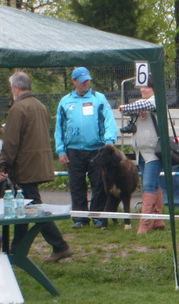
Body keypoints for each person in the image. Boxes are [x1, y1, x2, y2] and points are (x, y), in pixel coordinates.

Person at [0, 72, 72, 261]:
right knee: (23, 208)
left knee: (32, 207)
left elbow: (11, 142)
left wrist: (3, 164)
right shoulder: (40, 106)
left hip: (25, 167)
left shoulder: (18, 108)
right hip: (40, 163)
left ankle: (60, 245)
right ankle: (16, 250)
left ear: (16, 87)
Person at [54, 66, 118, 229]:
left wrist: (109, 141)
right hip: (73, 150)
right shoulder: (65, 101)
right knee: (76, 184)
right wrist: (61, 150)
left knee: (99, 184)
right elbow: (59, 127)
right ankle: (80, 218)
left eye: (87, 80)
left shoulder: (99, 99)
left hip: (97, 149)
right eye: (82, 81)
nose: (85, 84)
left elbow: (109, 121)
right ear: (74, 81)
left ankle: (97, 216)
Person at [118, 75, 165, 233]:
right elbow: (133, 109)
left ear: (154, 88)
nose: (143, 90)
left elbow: (132, 108)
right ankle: (158, 220)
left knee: (149, 185)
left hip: (153, 152)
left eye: (147, 87)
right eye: (141, 87)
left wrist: (125, 107)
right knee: (154, 184)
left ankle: (144, 224)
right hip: (141, 151)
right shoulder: (141, 104)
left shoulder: (157, 101)